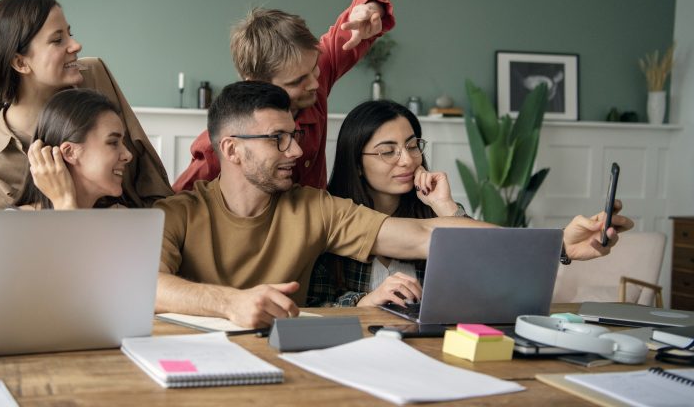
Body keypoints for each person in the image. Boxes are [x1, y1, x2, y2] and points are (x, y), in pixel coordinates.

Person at [154, 81, 633, 329]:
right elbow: (144, 285)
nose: (297, 152)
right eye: (278, 140)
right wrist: (231, 302)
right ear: (233, 150)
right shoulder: (177, 213)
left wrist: (556, 246)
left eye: (294, 137)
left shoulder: (315, 208)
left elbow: (429, 236)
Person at [171, 0, 395, 192]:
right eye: (297, 81)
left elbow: (364, 10)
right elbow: (178, 202)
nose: (315, 84)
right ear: (255, 83)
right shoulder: (224, 142)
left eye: (315, 68)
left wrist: (370, 8)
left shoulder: (310, 71)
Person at [0, 0, 172, 209]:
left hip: (142, 228)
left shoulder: (94, 74)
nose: (75, 45)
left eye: (70, 34)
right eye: (57, 40)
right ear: (20, 62)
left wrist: (164, 227)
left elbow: (148, 172)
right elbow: (28, 238)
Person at [307, 100, 459, 307]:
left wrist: (445, 206)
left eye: (412, 146)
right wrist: (364, 302)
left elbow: (479, 279)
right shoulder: (331, 218)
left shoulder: (435, 213)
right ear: (357, 164)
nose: (407, 160)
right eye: (388, 152)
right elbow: (313, 307)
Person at [15, 89, 132, 209]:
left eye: (123, 142)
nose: (128, 155)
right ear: (69, 152)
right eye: (113, 142)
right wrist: (64, 201)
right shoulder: (14, 222)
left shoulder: (120, 217)